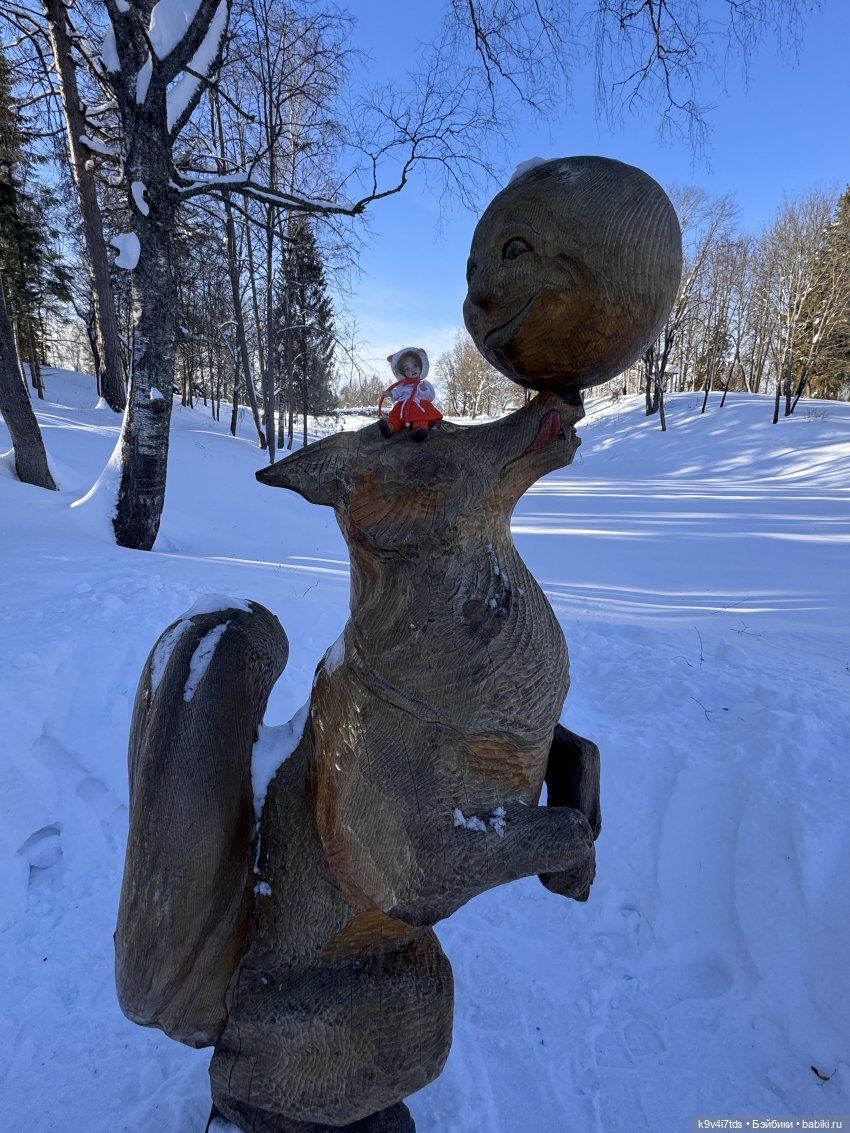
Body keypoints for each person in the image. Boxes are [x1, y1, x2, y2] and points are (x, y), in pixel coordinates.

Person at [378, 347, 443, 441]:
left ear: (421, 366)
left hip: (419, 407)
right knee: (396, 418)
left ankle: (420, 431)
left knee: (421, 418)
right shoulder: (403, 385)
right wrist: (391, 393)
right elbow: (397, 393)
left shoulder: (423, 384)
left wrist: (424, 390)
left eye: (415, 366)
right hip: (403, 408)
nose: (412, 370)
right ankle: (390, 428)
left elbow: (430, 397)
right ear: (402, 372)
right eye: (407, 368)